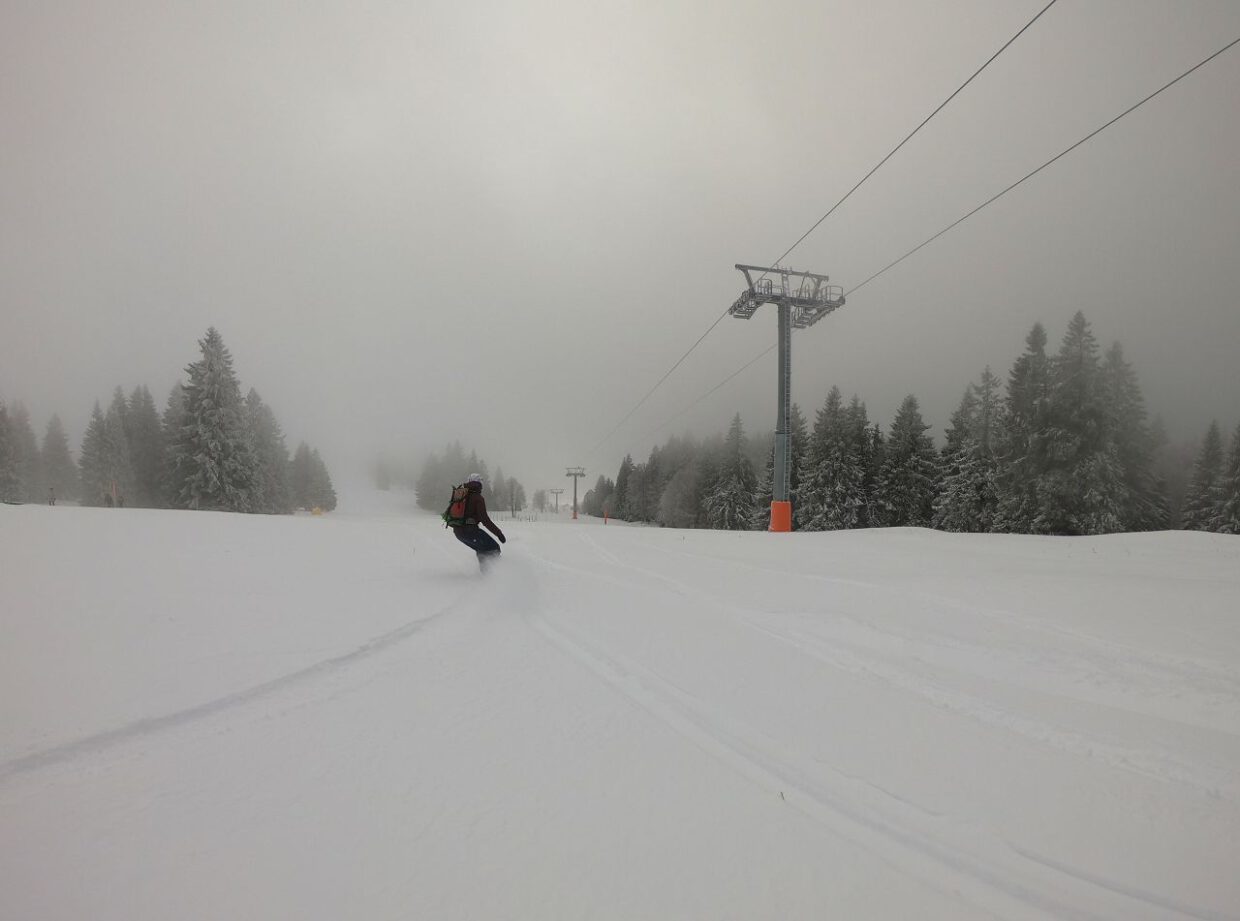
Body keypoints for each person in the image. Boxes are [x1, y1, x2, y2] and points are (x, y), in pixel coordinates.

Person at [451, 473, 506, 571]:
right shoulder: (477, 498)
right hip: (470, 532)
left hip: (458, 532)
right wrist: (499, 533)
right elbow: (485, 520)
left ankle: (486, 573)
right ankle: (494, 573)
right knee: (494, 548)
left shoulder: (461, 495)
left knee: (482, 548)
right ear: (480, 483)